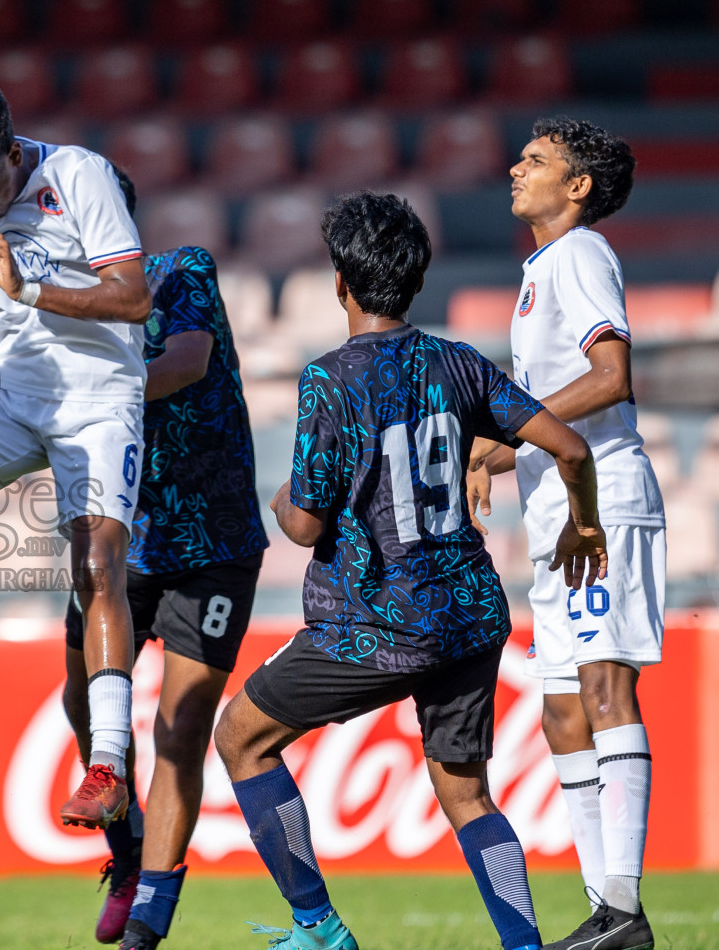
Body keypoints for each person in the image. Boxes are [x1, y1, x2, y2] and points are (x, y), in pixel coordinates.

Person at [212, 192, 609, 950]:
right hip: (469, 611)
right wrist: (584, 522)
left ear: (339, 283)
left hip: (376, 623)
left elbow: (303, 522)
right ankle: (524, 947)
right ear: (415, 280)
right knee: (465, 793)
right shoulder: (457, 361)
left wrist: (277, 498)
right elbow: (570, 448)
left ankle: (317, 928)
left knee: (241, 738)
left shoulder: (328, 378)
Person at [0, 81, 151, 831]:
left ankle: (106, 764)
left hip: (97, 395)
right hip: (13, 390)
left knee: (94, 562)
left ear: (12, 153)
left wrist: (31, 287)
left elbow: (133, 296)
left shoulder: (77, 174)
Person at [58, 172, 268, 948]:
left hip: (210, 540)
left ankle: (149, 922)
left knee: (178, 729)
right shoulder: (49, 306)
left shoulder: (182, 271)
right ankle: (128, 851)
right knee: (81, 704)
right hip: (118, 538)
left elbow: (183, 361)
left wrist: (80, 403)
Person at [468, 117, 661, 950]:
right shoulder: (541, 268)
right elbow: (549, 414)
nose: (515, 167)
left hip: (600, 507)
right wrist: (495, 452)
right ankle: (603, 915)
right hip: (556, 515)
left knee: (602, 692)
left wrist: (506, 434)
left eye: (536, 160)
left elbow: (611, 378)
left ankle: (622, 908)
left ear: (576, 186)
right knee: (557, 712)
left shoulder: (579, 255)